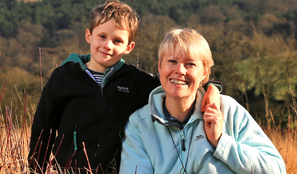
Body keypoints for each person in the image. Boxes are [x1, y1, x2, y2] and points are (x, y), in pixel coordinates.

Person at [28, 0, 222, 174]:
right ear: (89, 35)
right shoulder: (64, 76)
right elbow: (43, 128)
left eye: (117, 41)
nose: (108, 45)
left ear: (129, 47)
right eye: (102, 36)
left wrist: (212, 89)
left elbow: (177, 83)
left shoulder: (136, 81)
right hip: (68, 171)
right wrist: (35, 169)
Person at [119, 28, 286, 174]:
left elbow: (276, 169)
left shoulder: (228, 110)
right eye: (172, 61)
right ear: (160, 66)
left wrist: (220, 141)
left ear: (204, 73)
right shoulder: (139, 124)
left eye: (190, 64)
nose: (180, 71)